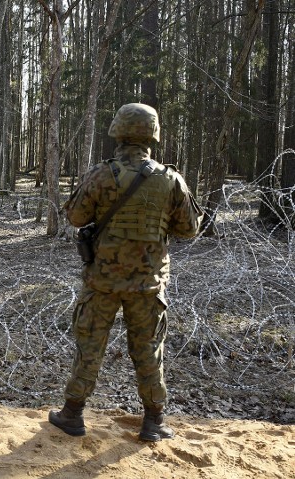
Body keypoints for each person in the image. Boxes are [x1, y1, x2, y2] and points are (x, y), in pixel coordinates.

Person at [49, 103, 203, 442]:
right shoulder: (170, 180)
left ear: (118, 131)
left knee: (90, 347)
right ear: (153, 134)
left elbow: (75, 217)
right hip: (148, 284)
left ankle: (72, 414)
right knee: (149, 351)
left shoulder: (101, 174)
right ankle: (154, 421)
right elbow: (189, 228)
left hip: (102, 281)